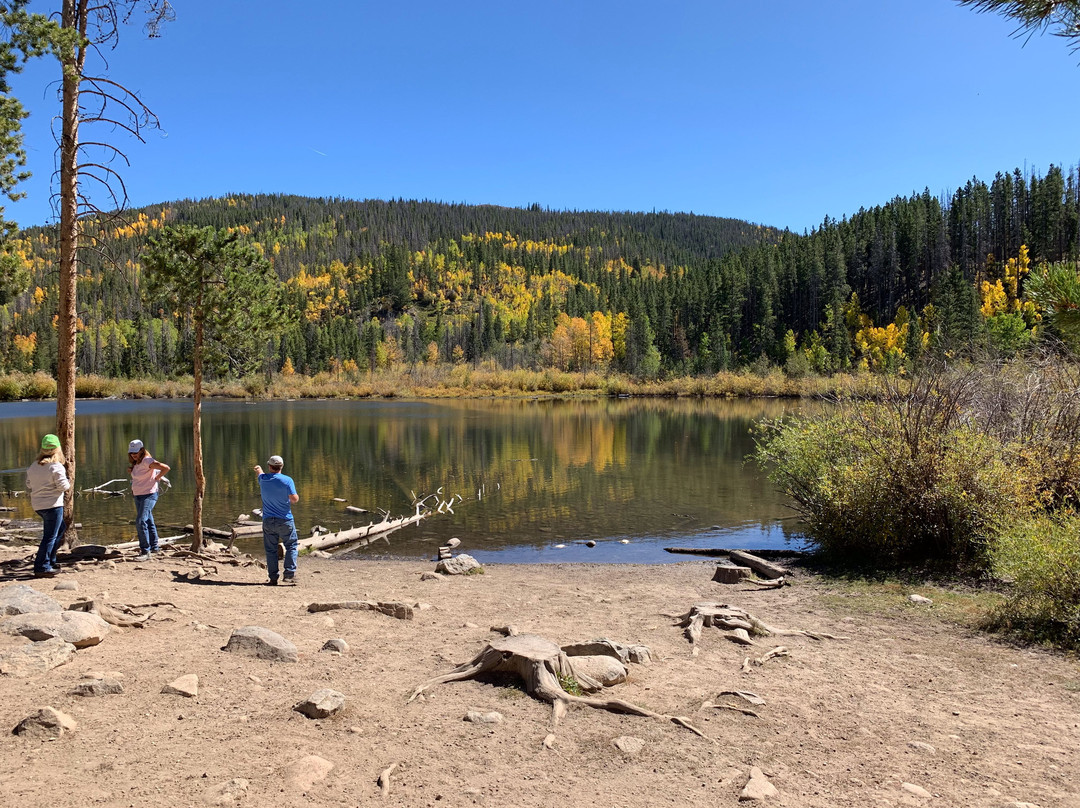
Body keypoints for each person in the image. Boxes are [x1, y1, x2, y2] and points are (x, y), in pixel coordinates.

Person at [25, 434, 71, 577]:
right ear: (57, 450)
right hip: (53, 505)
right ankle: (42, 566)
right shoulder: (56, 467)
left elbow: (28, 484)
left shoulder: (34, 466)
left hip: (39, 505)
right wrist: (69, 481)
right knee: (50, 536)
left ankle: (50, 560)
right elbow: (63, 486)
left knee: (60, 529)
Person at [254, 454, 299, 585]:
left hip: (268, 520)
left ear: (269, 466)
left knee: (270, 550)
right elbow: (294, 499)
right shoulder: (287, 480)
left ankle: (273, 578)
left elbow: (260, 474)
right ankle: (289, 575)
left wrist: (258, 469)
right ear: (282, 466)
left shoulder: (263, 479)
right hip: (285, 520)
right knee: (291, 546)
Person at [127, 439, 170, 561]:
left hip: (149, 495)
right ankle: (154, 547)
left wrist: (157, 478)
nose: (133, 455)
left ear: (141, 450)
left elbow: (166, 468)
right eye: (131, 453)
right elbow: (141, 475)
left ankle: (145, 551)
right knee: (148, 520)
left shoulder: (147, 460)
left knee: (140, 521)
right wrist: (132, 471)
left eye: (135, 452)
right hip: (138, 494)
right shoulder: (137, 462)